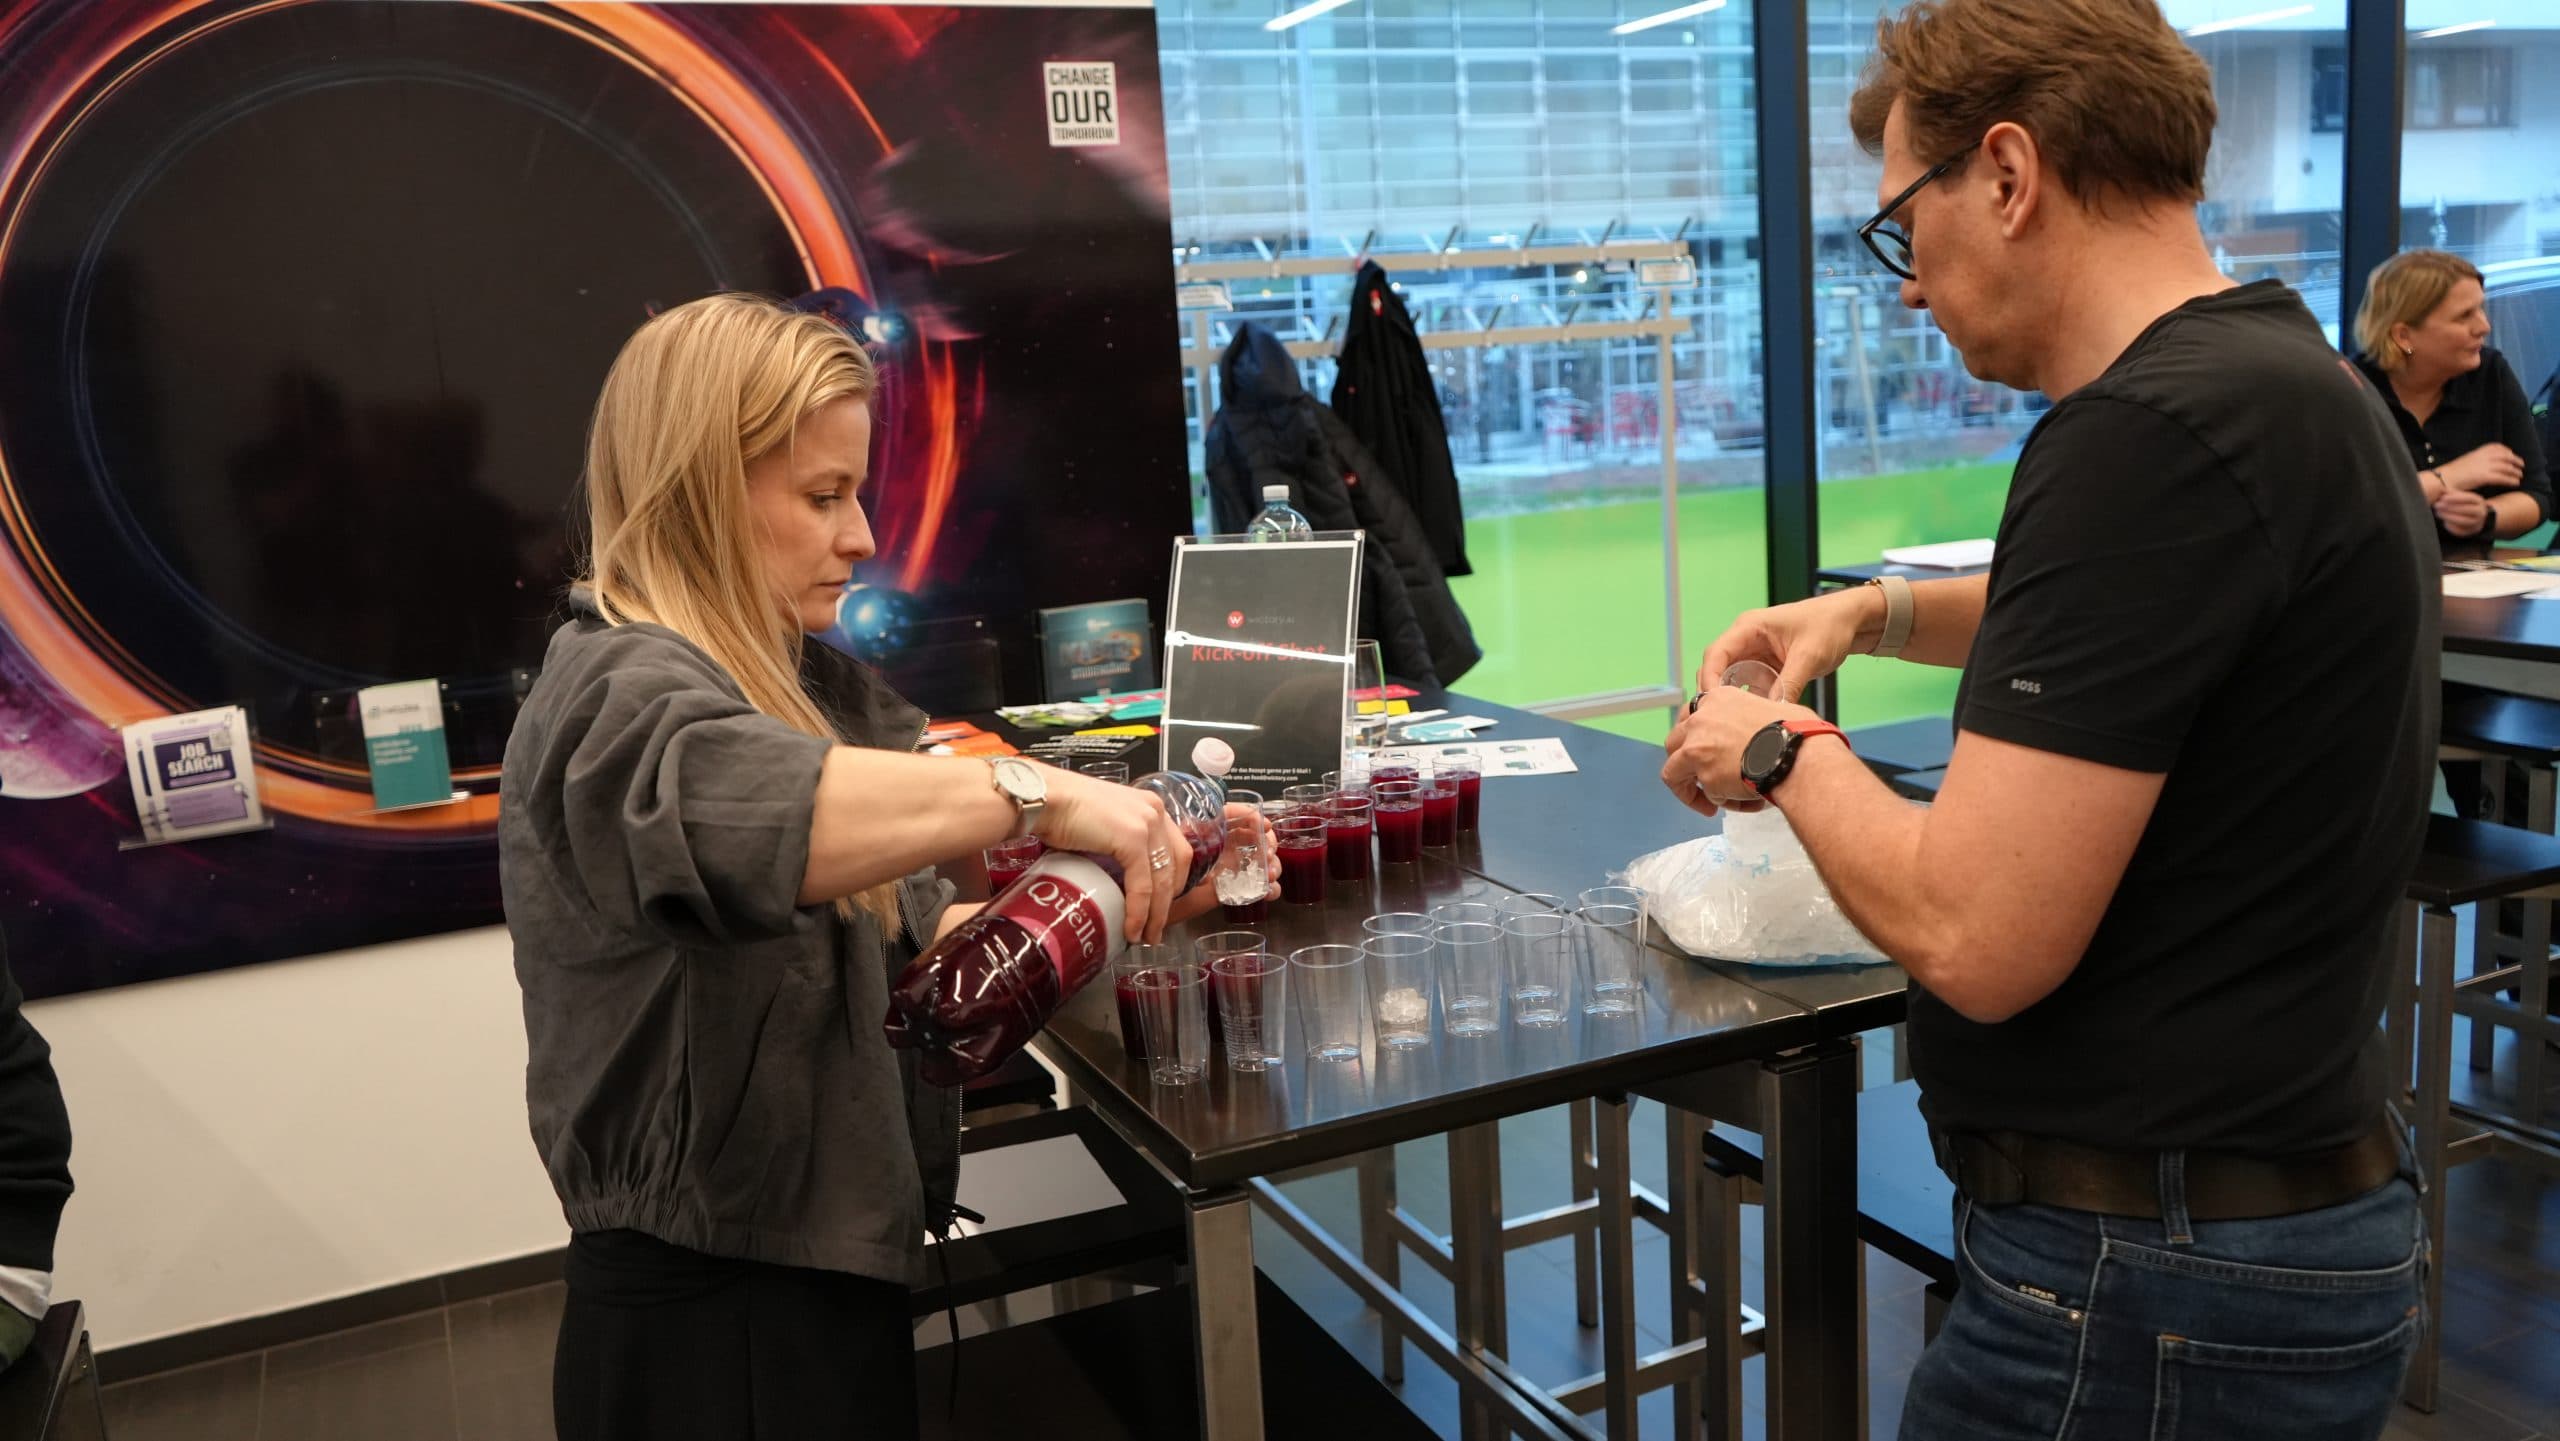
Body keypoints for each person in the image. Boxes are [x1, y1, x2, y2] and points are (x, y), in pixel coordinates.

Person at [1662, 2, 2435, 1437]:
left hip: (2148, 1277)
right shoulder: (2286, 384)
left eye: (1906, 225)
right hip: (2281, 1222)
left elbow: (1979, 935)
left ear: (2008, 176)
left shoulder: (2137, 438)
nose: (1906, 289)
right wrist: (1868, 616)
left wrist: (1770, 748)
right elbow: (2138, 615)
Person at [501, 293, 1257, 1441]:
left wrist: (1125, 888)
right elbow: (744, 817)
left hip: (829, 1285)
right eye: (820, 496)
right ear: (701, 489)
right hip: (714, 1324)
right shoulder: (612, 691)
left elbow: (932, 951)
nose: (859, 536)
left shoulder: (810, 697)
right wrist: (1046, 792)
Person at [2351, 248, 2551, 549]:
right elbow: (2350, 514)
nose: (2484, 326)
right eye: (2464, 316)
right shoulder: (2351, 390)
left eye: (2480, 309)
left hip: (2471, 582)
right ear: (2403, 336)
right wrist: (2451, 477)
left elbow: (2537, 497)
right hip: (2378, 581)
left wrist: (2486, 516)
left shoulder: (2490, 374)